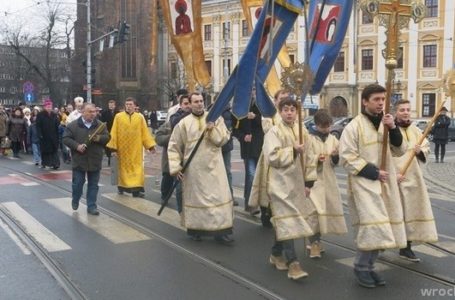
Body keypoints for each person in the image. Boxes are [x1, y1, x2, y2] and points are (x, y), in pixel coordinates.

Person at [339, 84, 407, 288]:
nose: (380, 103)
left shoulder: (387, 122)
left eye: (382, 99)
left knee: (383, 228)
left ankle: (369, 266)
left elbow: (400, 150)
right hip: (364, 184)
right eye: (376, 99)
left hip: (385, 184)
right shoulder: (354, 127)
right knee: (372, 227)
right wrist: (374, 172)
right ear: (365, 101)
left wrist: (393, 128)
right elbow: (346, 157)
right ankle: (361, 267)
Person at [168, 92, 234, 243]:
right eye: (196, 101)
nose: (199, 104)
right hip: (194, 170)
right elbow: (174, 146)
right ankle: (196, 229)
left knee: (217, 198)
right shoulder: (183, 123)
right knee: (197, 200)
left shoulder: (215, 118)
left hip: (214, 168)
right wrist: (176, 168)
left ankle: (221, 231)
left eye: (201, 101)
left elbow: (223, 139)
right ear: (189, 104)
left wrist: (212, 129)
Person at [264, 98, 316, 280]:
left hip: (297, 183)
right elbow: (272, 156)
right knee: (287, 221)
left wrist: (309, 183)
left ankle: (276, 253)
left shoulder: (304, 131)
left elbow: (310, 156)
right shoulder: (274, 131)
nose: (289, 113)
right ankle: (293, 263)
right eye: (285, 109)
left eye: (292, 109)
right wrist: (292, 151)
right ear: (280, 111)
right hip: (279, 184)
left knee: (288, 222)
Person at [393, 99, 438, 262]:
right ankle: (384, 242)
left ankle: (406, 247)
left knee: (411, 211)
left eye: (408, 110)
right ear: (396, 112)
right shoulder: (390, 130)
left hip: (414, 177)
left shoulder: (416, 130)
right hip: (396, 177)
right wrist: (393, 175)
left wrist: (420, 151)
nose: (405, 112)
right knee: (396, 212)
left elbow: (426, 147)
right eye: (402, 110)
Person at [306, 109, 347, 258]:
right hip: (313, 181)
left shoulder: (333, 140)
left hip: (328, 180)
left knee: (324, 213)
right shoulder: (309, 139)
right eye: (323, 127)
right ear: (316, 125)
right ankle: (314, 243)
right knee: (314, 212)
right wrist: (317, 158)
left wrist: (335, 156)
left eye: (328, 126)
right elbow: (305, 159)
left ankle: (316, 240)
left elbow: (337, 162)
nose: (326, 129)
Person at [249, 89, 290, 227]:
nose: (284, 101)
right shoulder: (268, 115)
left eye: (287, 98)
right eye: (281, 98)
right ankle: (266, 212)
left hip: (287, 155)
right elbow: (268, 130)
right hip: (270, 154)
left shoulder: (292, 113)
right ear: (275, 100)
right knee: (267, 185)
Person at [63, 103, 110, 216]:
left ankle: (92, 206)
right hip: (79, 159)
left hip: (95, 159)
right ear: (82, 112)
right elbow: (66, 138)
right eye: (89, 111)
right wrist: (77, 146)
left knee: (93, 184)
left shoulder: (100, 125)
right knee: (78, 183)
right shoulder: (73, 125)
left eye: (94, 111)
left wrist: (98, 138)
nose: (92, 114)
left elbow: (107, 137)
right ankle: (75, 198)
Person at [107, 97, 156, 198]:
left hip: (136, 148)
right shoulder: (118, 117)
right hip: (122, 149)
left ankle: (137, 188)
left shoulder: (140, 117)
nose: (128, 106)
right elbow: (114, 132)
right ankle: (122, 186)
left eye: (130, 104)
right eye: (127, 104)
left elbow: (145, 132)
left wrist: (150, 146)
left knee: (137, 168)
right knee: (123, 169)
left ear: (135, 106)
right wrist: (113, 148)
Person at [233, 94, 264, 214]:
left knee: (261, 177)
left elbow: (267, 122)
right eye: (250, 90)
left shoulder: (262, 105)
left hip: (261, 146)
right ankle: (250, 204)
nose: (253, 93)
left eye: (255, 89)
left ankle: (262, 205)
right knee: (251, 175)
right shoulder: (240, 108)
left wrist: (255, 117)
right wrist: (243, 136)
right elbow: (235, 129)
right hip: (248, 148)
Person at [36, 99, 61, 169]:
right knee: (45, 151)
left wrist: (57, 134)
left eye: (50, 107)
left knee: (54, 150)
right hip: (44, 136)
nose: (49, 108)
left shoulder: (54, 115)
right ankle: (45, 163)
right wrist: (39, 134)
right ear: (44, 107)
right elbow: (38, 126)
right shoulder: (40, 115)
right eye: (47, 107)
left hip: (53, 136)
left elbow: (57, 124)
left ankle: (55, 164)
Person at [100, 100, 119, 166]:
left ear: (114, 105)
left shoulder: (118, 113)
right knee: (108, 145)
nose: (111, 106)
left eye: (112, 105)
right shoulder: (104, 113)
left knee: (115, 145)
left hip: (116, 131)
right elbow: (102, 122)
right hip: (107, 131)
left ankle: (114, 157)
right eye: (110, 105)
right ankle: (109, 157)